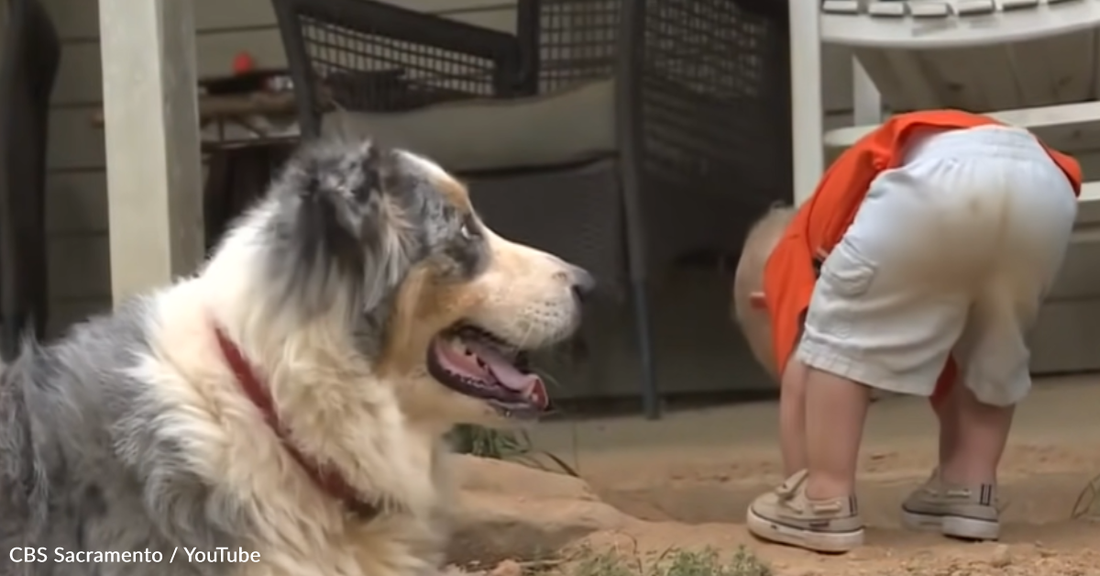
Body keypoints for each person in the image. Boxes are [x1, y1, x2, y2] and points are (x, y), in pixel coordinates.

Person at [731, 110, 1081, 553]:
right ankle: (969, 485)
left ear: (761, 302)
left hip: (937, 177)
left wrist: (799, 471)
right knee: (992, 342)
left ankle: (819, 497)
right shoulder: (905, 271)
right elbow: (952, 370)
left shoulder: (793, 249)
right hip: (1042, 181)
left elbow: (808, 367)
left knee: (828, 347)